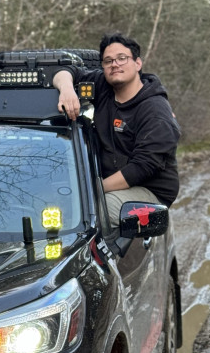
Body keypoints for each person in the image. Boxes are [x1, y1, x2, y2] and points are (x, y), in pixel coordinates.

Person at [53, 32, 180, 225]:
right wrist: (67, 90)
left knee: (99, 208)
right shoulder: (103, 85)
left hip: (149, 190)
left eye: (122, 58)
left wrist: (91, 189)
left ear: (138, 64)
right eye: (108, 61)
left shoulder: (155, 111)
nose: (115, 64)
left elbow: (142, 168)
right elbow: (64, 72)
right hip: (110, 181)